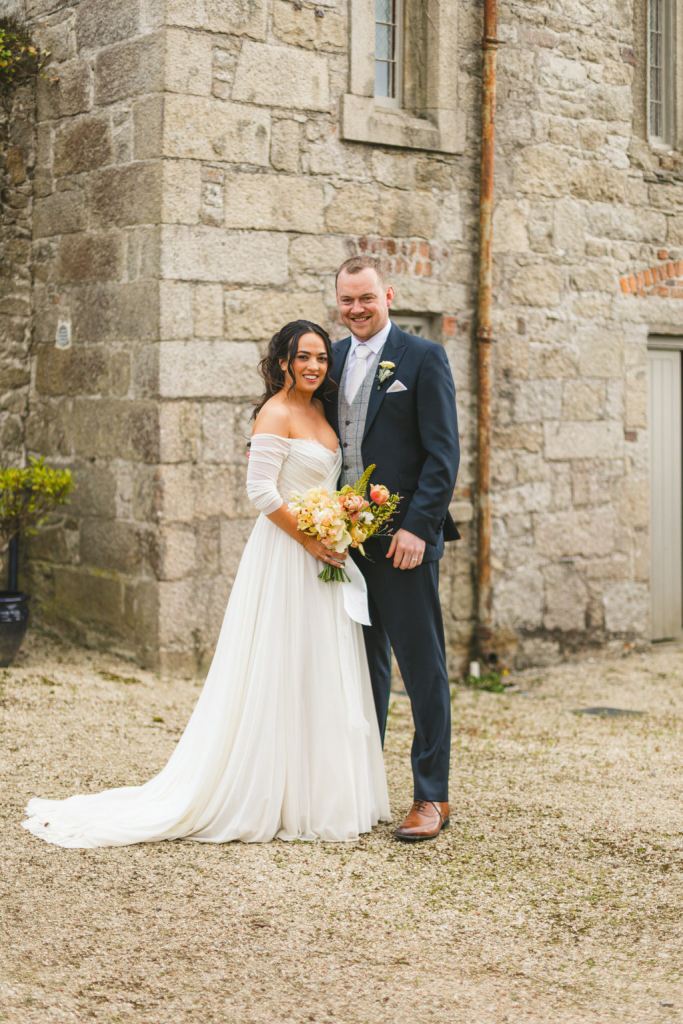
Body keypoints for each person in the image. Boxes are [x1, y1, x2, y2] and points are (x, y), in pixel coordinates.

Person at [23, 320, 389, 848]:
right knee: (280, 664)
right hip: (287, 556)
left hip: (323, 556)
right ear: (283, 361)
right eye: (303, 357)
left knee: (320, 665)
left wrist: (342, 519)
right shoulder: (275, 412)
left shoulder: (318, 411)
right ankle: (267, 791)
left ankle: (323, 791)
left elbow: (327, 481)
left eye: (320, 359)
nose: (313, 366)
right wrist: (311, 539)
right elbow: (261, 491)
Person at [325, 256, 460, 842]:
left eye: (367, 298)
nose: (357, 309)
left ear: (389, 296)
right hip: (344, 543)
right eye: (347, 300)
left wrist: (418, 527)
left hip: (403, 542)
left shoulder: (423, 357)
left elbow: (443, 454)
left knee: (421, 667)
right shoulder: (326, 359)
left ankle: (431, 797)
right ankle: (363, 787)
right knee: (360, 667)